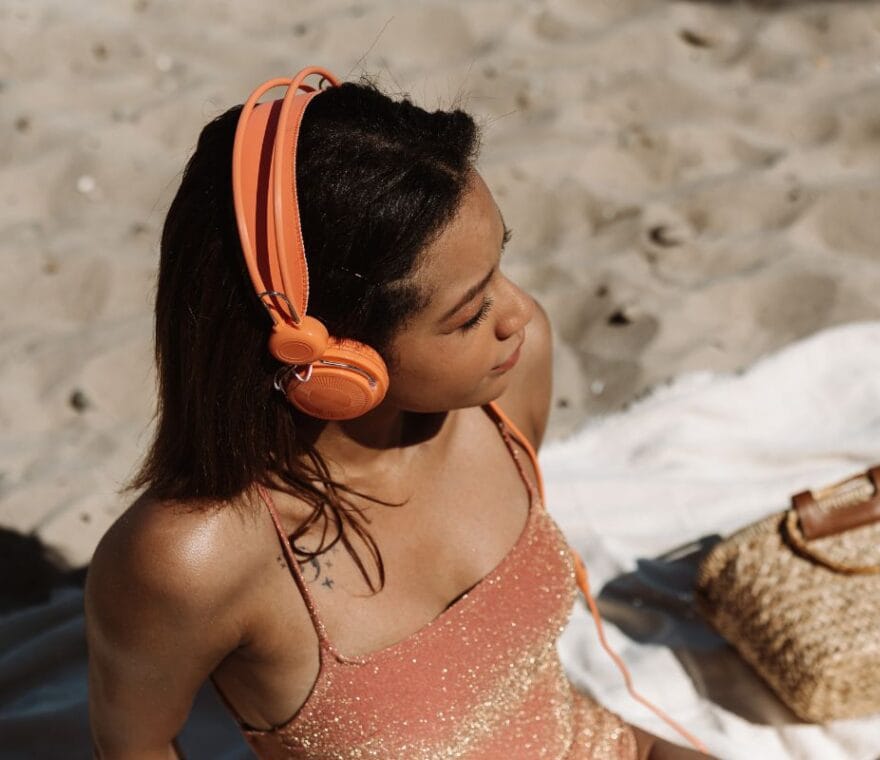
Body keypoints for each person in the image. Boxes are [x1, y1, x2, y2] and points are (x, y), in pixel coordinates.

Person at [85, 68, 713, 759]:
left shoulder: (505, 383)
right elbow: (135, 746)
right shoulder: (192, 559)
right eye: (469, 314)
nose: (520, 313)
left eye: (500, 265)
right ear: (332, 356)